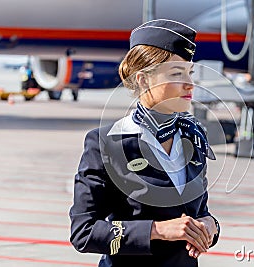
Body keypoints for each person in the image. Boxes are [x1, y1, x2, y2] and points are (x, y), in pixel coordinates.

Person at [69, 19, 220, 267]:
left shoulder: (193, 138)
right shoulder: (106, 142)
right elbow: (83, 233)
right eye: (176, 73)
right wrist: (157, 230)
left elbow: (198, 213)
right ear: (143, 80)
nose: (189, 83)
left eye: (190, 73)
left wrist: (210, 225)